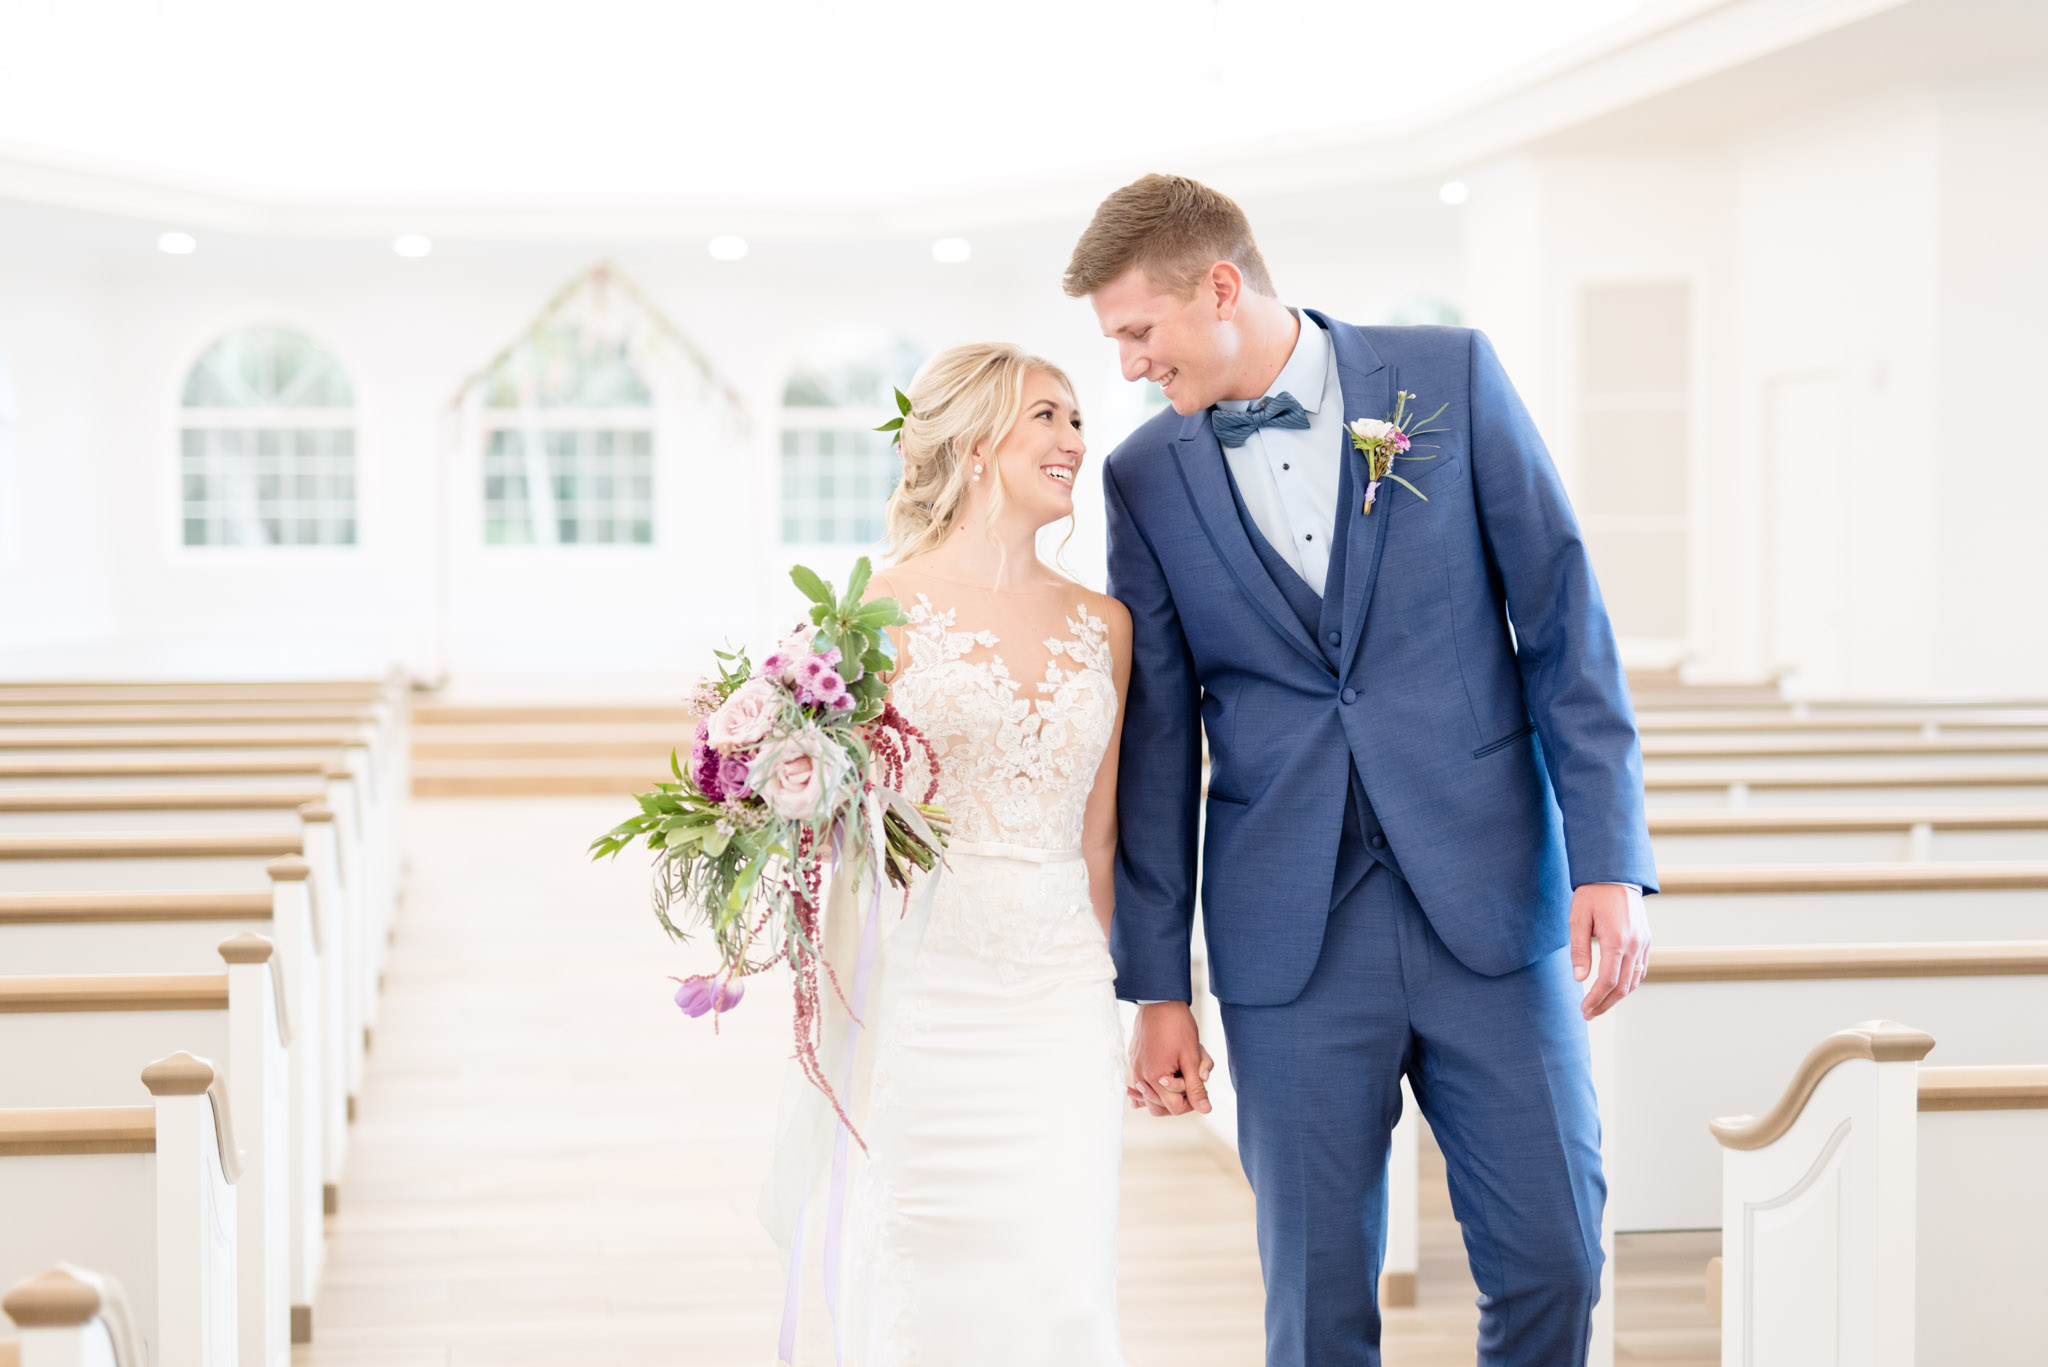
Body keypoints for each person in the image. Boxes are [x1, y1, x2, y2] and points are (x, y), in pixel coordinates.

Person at [1067, 174, 1657, 1367]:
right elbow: (1158, 735)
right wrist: (1157, 984)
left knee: (1556, 1253)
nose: (1126, 367)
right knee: (1314, 1302)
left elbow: (1561, 625)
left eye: (1138, 331)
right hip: (1289, 934)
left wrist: (1609, 857)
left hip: (1491, 901)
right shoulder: (1141, 476)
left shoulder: (1447, 377)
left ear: (1219, 288)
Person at [778, 342, 1141, 1365]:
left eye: (1075, 418)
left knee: (1062, 1274)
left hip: (1058, 989)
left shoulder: (1103, 625)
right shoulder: (870, 612)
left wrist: (1146, 1000)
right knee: (920, 1271)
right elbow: (832, 827)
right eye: (1047, 416)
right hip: (927, 992)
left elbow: (1099, 835)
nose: (1073, 439)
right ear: (976, 439)